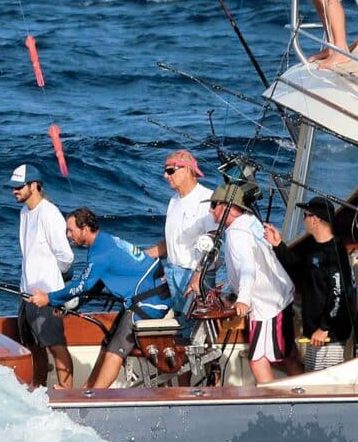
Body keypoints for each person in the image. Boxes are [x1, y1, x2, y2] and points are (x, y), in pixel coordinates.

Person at [28, 207, 172, 390]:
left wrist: (49, 298)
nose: (68, 235)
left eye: (71, 230)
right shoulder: (103, 242)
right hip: (139, 299)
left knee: (115, 349)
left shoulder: (101, 253)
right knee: (107, 344)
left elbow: (82, 285)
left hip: (151, 301)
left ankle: (95, 396)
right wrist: (69, 305)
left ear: (85, 229)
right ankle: (86, 392)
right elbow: (95, 286)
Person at [209, 182, 302, 383]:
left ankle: (275, 408)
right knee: (287, 355)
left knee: (257, 360)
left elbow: (248, 268)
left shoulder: (236, 233)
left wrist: (242, 300)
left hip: (267, 305)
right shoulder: (250, 221)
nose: (210, 210)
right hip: (279, 297)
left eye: (214, 204)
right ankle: (306, 397)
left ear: (227, 208)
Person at [264, 196, 355, 372]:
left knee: (324, 386)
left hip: (329, 337)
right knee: (312, 376)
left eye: (306, 215)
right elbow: (299, 270)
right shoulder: (314, 247)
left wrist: (324, 328)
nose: (304, 220)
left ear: (315, 220)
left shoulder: (335, 253)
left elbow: (340, 294)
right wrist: (278, 245)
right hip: (314, 333)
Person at [6, 164, 75, 389]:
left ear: (34, 186)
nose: (14, 191)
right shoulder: (24, 212)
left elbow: (66, 256)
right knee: (31, 345)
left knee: (55, 344)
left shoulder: (49, 213)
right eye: (13, 187)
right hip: (26, 293)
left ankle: (66, 391)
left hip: (46, 294)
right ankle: (40, 387)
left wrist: (56, 285)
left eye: (19, 187)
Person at [143, 150, 217, 329]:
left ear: (187, 170)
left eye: (170, 170)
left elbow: (214, 242)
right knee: (182, 326)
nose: (165, 175)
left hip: (195, 275)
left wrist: (199, 276)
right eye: (165, 171)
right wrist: (141, 255)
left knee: (197, 328)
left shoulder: (207, 199)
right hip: (172, 273)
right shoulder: (174, 200)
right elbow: (172, 243)